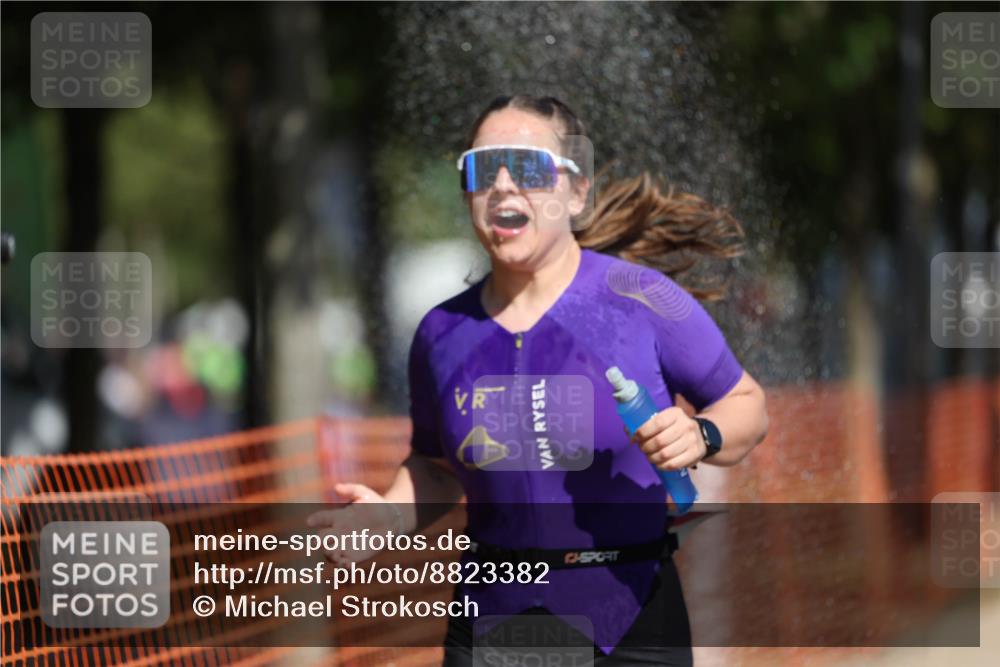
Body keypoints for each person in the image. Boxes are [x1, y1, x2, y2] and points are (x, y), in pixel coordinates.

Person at [308, 95, 769, 666]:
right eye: (483, 170)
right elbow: (436, 466)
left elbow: (746, 404)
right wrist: (389, 515)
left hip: (629, 616)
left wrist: (702, 435)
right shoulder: (441, 332)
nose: (503, 185)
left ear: (576, 192)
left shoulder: (640, 297)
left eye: (527, 168)